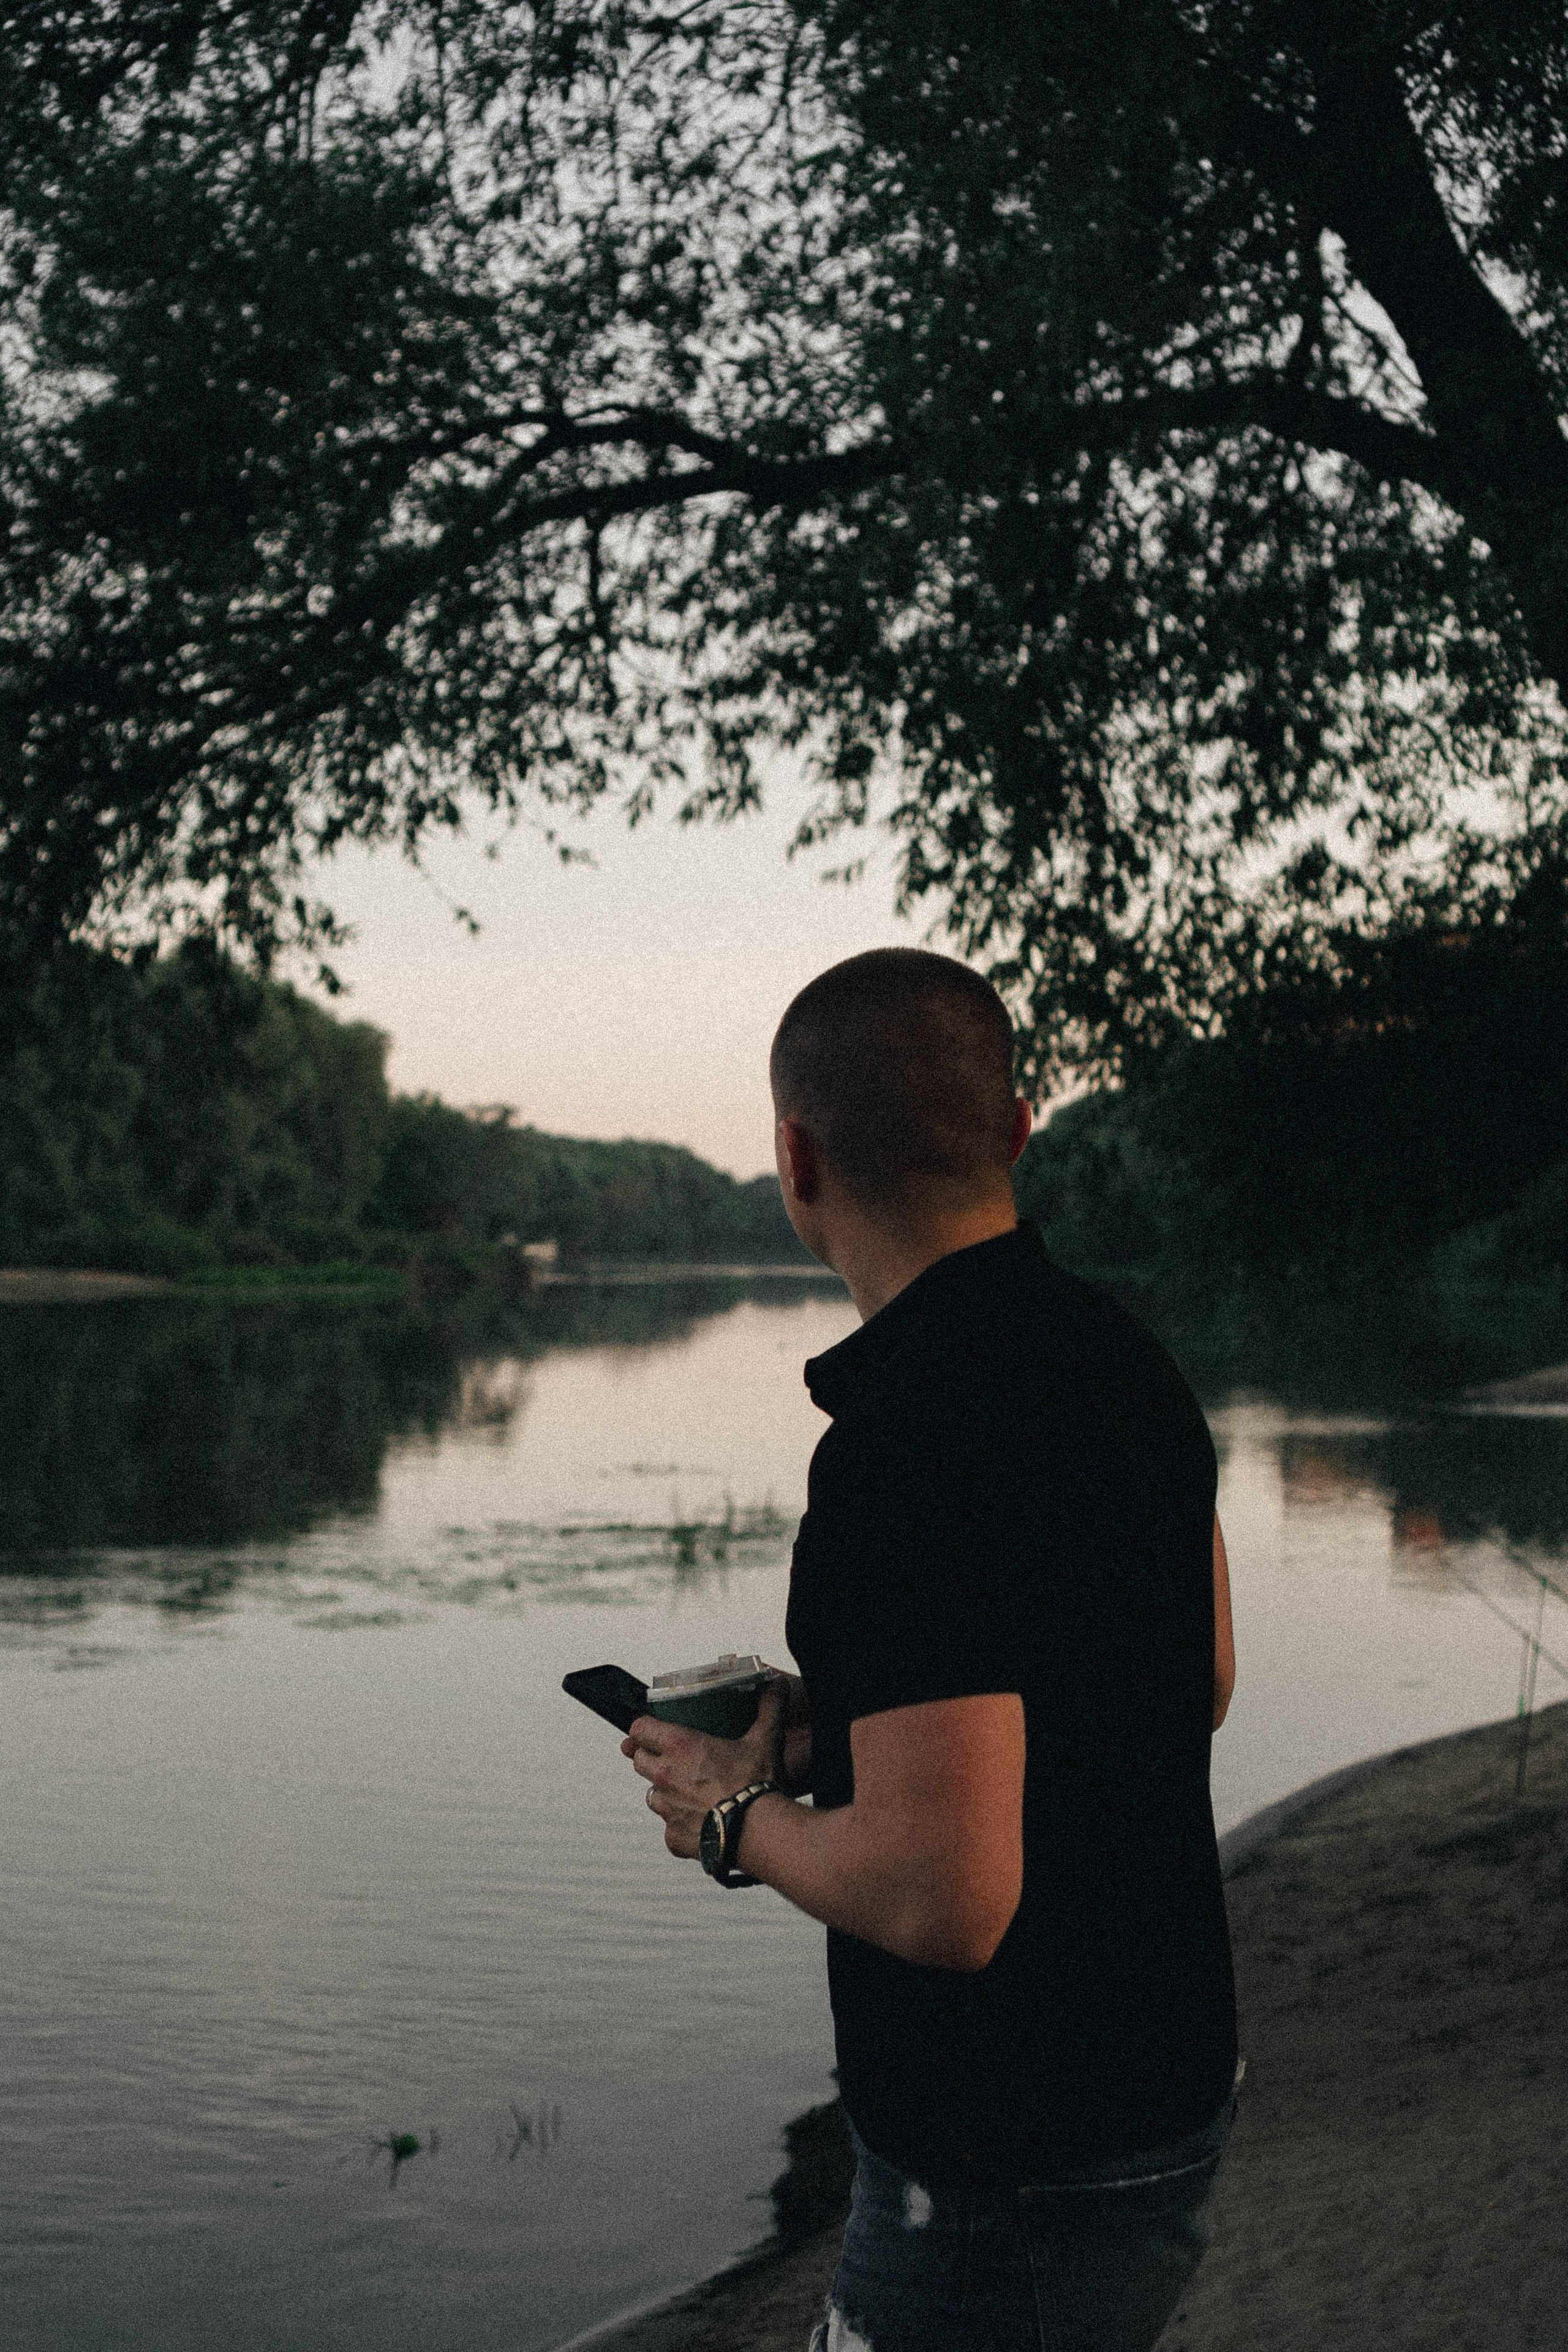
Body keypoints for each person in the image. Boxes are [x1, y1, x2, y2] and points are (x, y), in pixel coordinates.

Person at [624, 948, 1238, 2352]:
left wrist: (730, 1816)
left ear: (795, 1157)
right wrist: (852, 1713)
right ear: (1017, 1129)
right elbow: (1178, 1683)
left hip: (1006, 2158)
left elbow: (943, 1900)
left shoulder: (900, 1453)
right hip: (1165, 2079)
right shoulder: (1125, 1363)